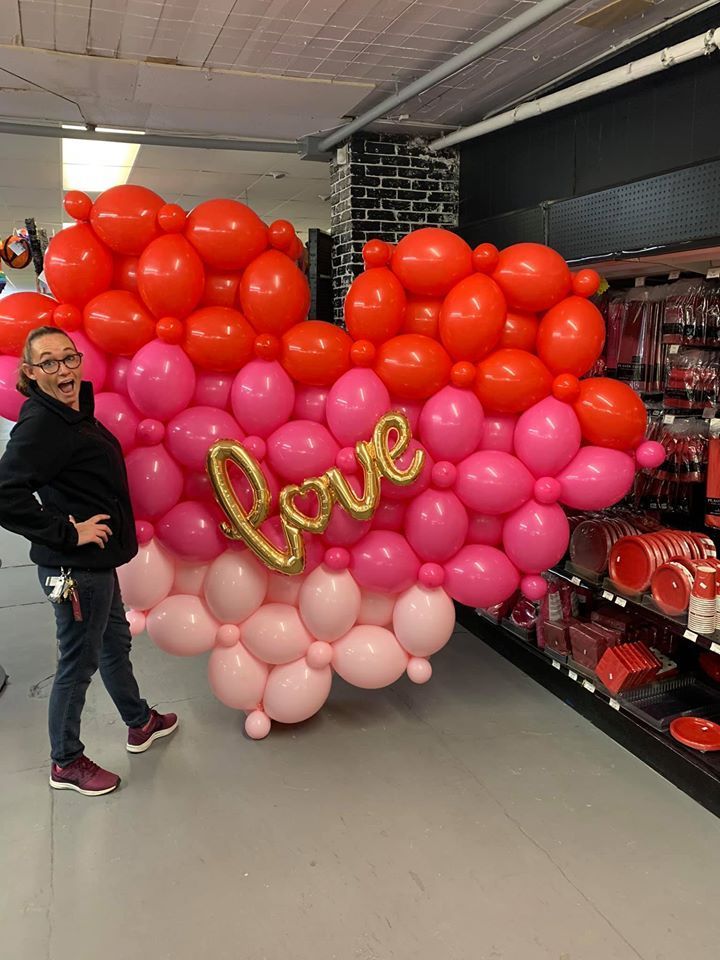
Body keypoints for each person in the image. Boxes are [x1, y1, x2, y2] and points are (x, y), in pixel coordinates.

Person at [0, 326, 177, 797]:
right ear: (31, 373)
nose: (64, 369)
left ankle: (139, 722)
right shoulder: (42, 425)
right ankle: (65, 761)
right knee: (78, 661)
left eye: (69, 358)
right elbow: (5, 494)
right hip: (72, 571)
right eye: (50, 363)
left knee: (115, 642)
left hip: (96, 566)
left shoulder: (74, 413)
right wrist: (67, 532)